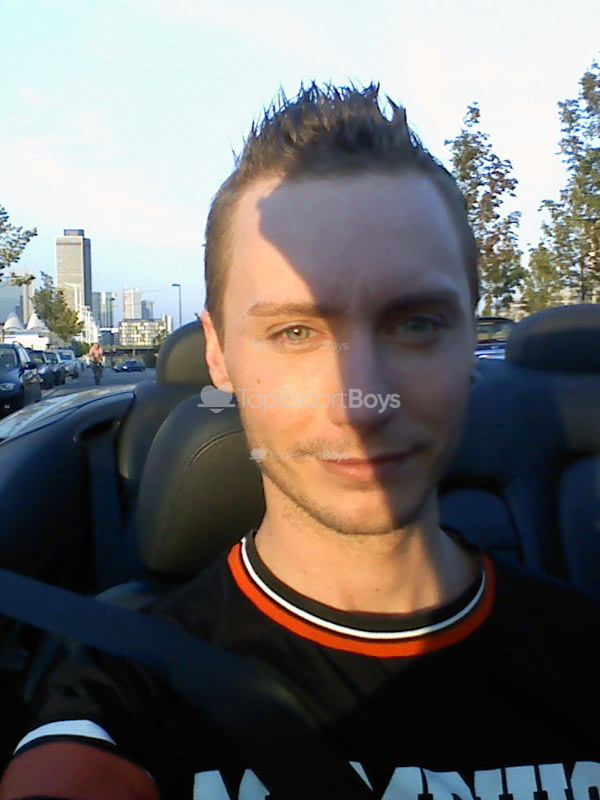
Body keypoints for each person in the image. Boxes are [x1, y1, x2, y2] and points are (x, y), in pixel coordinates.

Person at [1, 84, 599, 800]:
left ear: (473, 335)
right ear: (219, 355)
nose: (359, 403)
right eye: (294, 332)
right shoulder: (128, 699)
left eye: (416, 324)